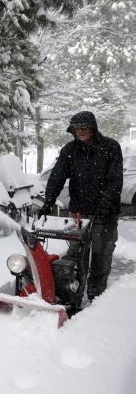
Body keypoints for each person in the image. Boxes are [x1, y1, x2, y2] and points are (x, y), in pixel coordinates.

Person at [38, 110, 123, 302]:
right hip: (78, 212)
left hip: (105, 214)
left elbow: (115, 180)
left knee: (101, 254)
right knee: (76, 254)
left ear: (93, 128)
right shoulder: (70, 150)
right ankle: (72, 291)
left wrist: (105, 204)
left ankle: (96, 295)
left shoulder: (111, 147)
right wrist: (48, 201)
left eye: (84, 128)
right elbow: (57, 176)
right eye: (76, 128)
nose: (80, 131)